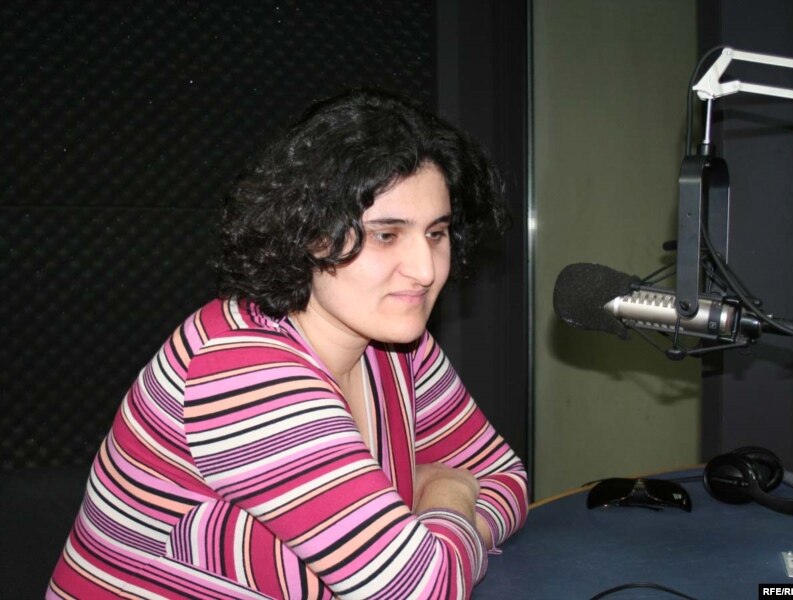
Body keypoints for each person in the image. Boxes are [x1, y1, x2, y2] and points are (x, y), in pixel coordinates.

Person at [48, 88, 528, 599]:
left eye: (436, 233)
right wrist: (451, 492)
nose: (425, 270)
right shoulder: (242, 372)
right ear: (306, 231)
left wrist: (437, 527)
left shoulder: (396, 344)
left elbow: (505, 477)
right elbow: (420, 590)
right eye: (386, 235)